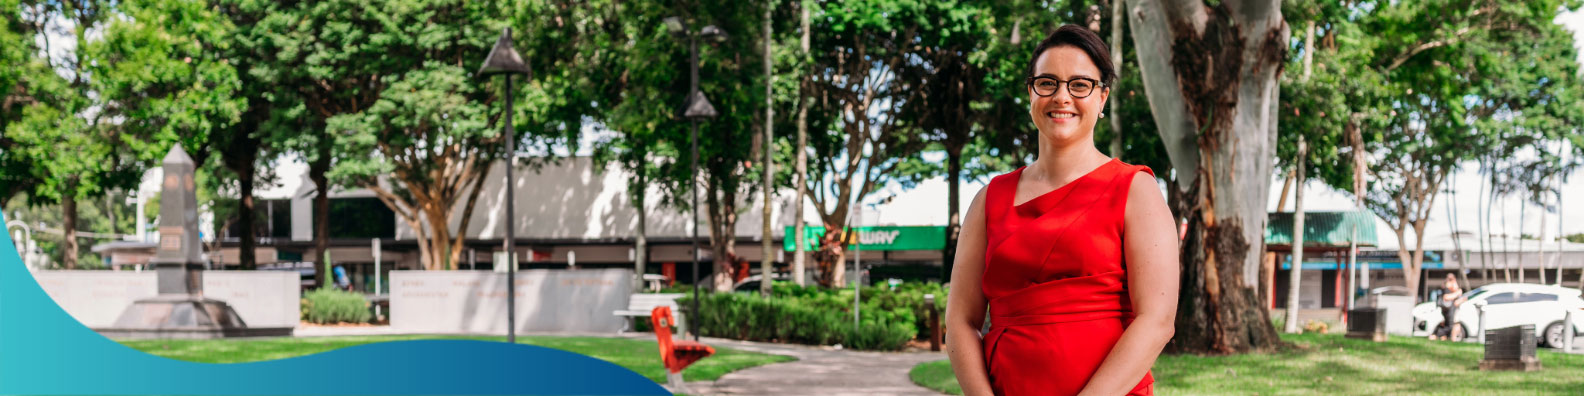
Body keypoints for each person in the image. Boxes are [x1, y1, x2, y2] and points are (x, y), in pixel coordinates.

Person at [943, 25, 1180, 396]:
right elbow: (960, 320)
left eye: (1080, 85)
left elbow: (1158, 320)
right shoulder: (989, 198)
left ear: (1102, 98)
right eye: (1048, 82)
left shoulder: (1136, 190)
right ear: (1031, 92)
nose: (1062, 96)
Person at [1431, 273, 1465, 340]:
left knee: (1452, 325)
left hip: (1450, 309)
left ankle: (1448, 338)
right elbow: (1446, 297)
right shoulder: (1446, 288)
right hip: (1448, 310)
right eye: (1452, 280)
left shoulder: (1450, 288)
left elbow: (1456, 289)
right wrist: (1457, 293)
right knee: (1449, 326)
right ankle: (1435, 335)